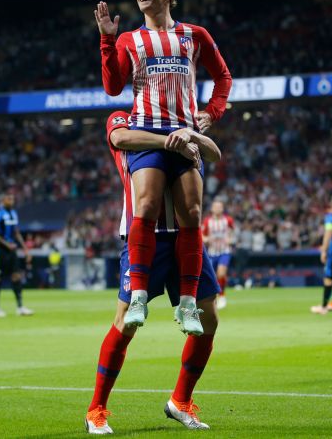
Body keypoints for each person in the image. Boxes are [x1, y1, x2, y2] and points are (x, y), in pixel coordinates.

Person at [94, 0, 232, 332]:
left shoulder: (194, 35)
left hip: (185, 134)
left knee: (192, 210)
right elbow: (112, 87)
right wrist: (108, 40)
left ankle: (187, 304)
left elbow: (223, 76)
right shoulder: (129, 40)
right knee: (148, 206)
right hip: (147, 132)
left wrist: (211, 114)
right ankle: (139, 296)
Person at [85, 111, 222, 434]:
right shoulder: (124, 118)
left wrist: (191, 134)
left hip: (186, 236)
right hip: (145, 237)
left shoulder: (181, 119)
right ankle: (96, 409)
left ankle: (180, 401)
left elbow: (213, 153)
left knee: (209, 319)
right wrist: (175, 138)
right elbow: (120, 139)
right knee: (126, 324)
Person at [0, 192, 33, 317]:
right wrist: (6, 244)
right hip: (0, 250)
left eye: (13, 198)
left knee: (16, 276)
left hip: (12, 250)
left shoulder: (13, 213)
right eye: (9, 198)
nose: (11, 200)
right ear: (3, 200)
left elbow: (16, 232)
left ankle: (20, 307)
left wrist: (25, 249)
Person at [202, 200, 235, 310]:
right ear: (212, 209)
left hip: (224, 251)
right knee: (212, 277)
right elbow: (202, 236)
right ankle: (213, 297)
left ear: (222, 208)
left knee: (221, 273)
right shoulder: (207, 221)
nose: (217, 209)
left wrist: (231, 239)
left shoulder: (228, 220)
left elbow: (233, 233)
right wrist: (207, 239)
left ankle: (222, 296)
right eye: (215, 207)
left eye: (219, 207)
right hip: (212, 253)